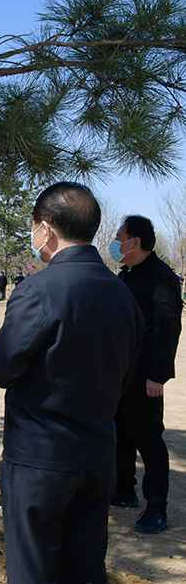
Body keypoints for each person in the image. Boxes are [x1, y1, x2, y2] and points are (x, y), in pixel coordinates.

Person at [0, 183, 142, 584]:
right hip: (97, 453)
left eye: (34, 228)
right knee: (87, 573)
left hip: (40, 458)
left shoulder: (39, 290)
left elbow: (0, 367)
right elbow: (128, 372)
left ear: (46, 229)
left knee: (34, 575)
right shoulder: (121, 293)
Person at [110, 215, 183, 534]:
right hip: (121, 372)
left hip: (145, 375)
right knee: (120, 433)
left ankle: (156, 507)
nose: (115, 243)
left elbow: (168, 329)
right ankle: (124, 489)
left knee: (148, 438)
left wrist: (157, 375)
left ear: (134, 241)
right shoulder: (128, 275)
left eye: (119, 237)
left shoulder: (161, 278)